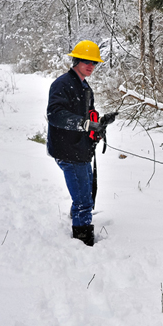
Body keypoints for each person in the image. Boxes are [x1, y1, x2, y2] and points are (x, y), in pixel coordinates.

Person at [47, 40, 114, 246]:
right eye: (87, 61)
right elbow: (55, 115)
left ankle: (76, 215)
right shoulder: (62, 84)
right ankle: (83, 240)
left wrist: (99, 125)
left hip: (81, 149)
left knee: (87, 192)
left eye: (95, 63)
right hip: (67, 150)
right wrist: (85, 125)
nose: (91, 66)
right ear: (76, 60)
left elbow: (88, 116)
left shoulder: (85, 86)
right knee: (84, 200)